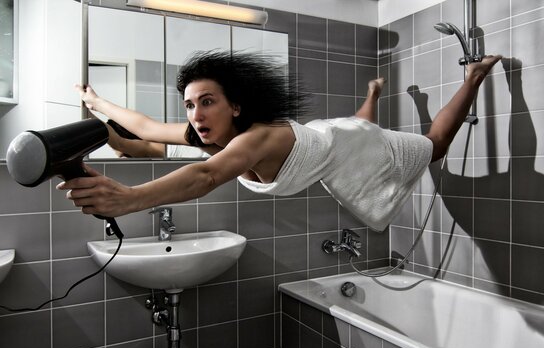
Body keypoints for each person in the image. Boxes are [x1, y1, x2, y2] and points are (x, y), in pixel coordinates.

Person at [60, 51, 501, 231]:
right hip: (333, 139)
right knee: (352, 127)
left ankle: (474, 76)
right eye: (190, 105)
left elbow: (207, 176)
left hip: (352, 142)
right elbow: (148, 128)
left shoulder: (257, 140)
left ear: (236, 106)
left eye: (207, 102)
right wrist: (96, 103)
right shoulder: (209, 132)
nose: (196, 115)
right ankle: (371, 97)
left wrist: (130, 199)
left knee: (433, 144)